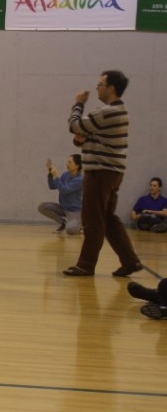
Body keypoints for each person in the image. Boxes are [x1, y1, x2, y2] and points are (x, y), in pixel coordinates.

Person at [63, 70, 142, 277]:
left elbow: (75, 126)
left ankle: (85, 265)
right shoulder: (115, 112)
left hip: (100, 172)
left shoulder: (108, 112)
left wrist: (78, 104)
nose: (97, 87)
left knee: (93, 219)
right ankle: (130, 261)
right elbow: (81, 136)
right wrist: (84, 136)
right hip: (112, 173)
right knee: (107, 218)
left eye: (100, 84)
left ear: (111, 88)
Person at [38, 154, 83, 234]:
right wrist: (51, 174)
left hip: (74, 210)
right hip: (63, 208)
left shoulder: (80, 180)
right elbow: (52, 186)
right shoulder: (65, 175)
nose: (67, 164)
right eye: (67, 162)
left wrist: (56, 176)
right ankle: (63, 223)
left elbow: (64, 190)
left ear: (77, 166)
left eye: (70, 162)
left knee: (70, 230)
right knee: (42, 207)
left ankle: (80, 225)